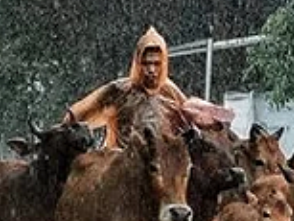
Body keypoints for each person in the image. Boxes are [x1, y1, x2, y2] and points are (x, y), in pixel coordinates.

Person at [62, 26, 234, 149]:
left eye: (156, 64)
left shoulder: (170, 92)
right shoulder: (119, 91)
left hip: (160, 172)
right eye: (146, 63)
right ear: (138, 63)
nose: (151, 70)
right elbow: (77, 116)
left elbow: (190, 123)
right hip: (120, 172)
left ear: (164, 64)